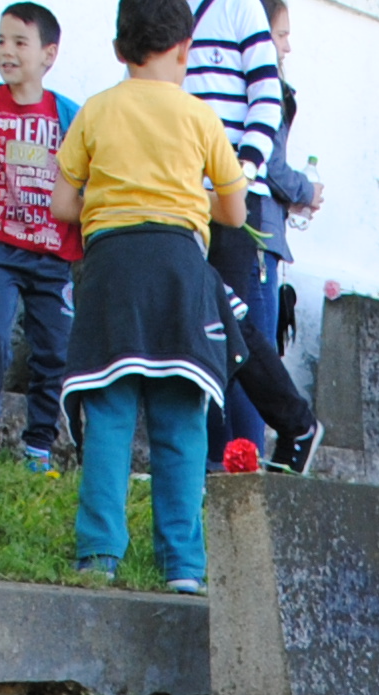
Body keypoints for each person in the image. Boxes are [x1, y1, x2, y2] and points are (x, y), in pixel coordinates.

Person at [51, 0, 245, 592]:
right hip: (179, 269)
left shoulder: (95, 111)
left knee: (108, 412)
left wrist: (115, 203)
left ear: (118, 50)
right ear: (186, 49)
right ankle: (183, 566)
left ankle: (99, 555)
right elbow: (235, 211)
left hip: (110, 268)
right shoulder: (199, 116)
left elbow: (62, 205)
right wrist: (186, 198)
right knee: (181, 416)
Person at [182, 0, 321, 470]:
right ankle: (210, 456)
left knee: (231, 330)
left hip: (234, 201)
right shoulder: (168, 10)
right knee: (196, 330)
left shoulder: (239, 9)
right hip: (180, 200)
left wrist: (242, 168)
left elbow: (267, 95)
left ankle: (248, 449)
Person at [0, 4, 81, 468]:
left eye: (19, 42)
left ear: (49, 54)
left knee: (55, 353)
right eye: (0, 41)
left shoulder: (69, 117)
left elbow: (86, 180)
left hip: (52, 255)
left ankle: (40, 443)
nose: (6, 51)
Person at [253, 0, 320, 356]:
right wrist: (306, 190)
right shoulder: (266, 89)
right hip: (260, 232)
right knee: (259, 349)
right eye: (281, 35)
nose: (287, 47)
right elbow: (269, 163)